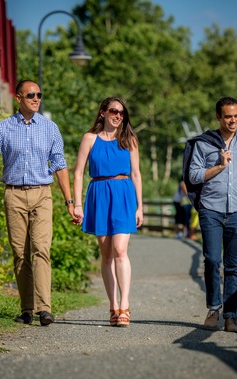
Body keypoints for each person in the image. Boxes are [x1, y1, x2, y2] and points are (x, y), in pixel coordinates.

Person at [0, 79, 76, 326]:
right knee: (20, 253)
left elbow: (60, 165)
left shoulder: (50, 128)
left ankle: (44, 308)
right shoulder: (4, 128)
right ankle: (27, 308)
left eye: (39, 95)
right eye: (31, 95)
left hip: (42, 193)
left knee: (41, 248)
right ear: (18, 98)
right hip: (14, 194)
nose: (36, 98)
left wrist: (70, 202)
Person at [188, 97, 237, 332]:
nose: (233, 120)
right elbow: (193, 176)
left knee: (233, 266)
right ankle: (213, 309)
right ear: (218, 117)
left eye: (236, 116)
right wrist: (219, 165)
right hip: (211, 209)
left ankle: (231, 316)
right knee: (212, 260)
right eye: (228, 116)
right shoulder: (204, 144)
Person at [73, 97, 143, 327]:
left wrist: (140, 206)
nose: (118, 116)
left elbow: (136, 174)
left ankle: (125, 306)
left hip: (123, 194)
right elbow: (78, 172)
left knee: (120, 250)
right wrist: (77, 204)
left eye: (122, 113)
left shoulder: (129, 140)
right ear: (102, 112)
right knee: (106, 255)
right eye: (114, 111)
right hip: (99, 194)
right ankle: (113, 306)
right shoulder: (89, 138)